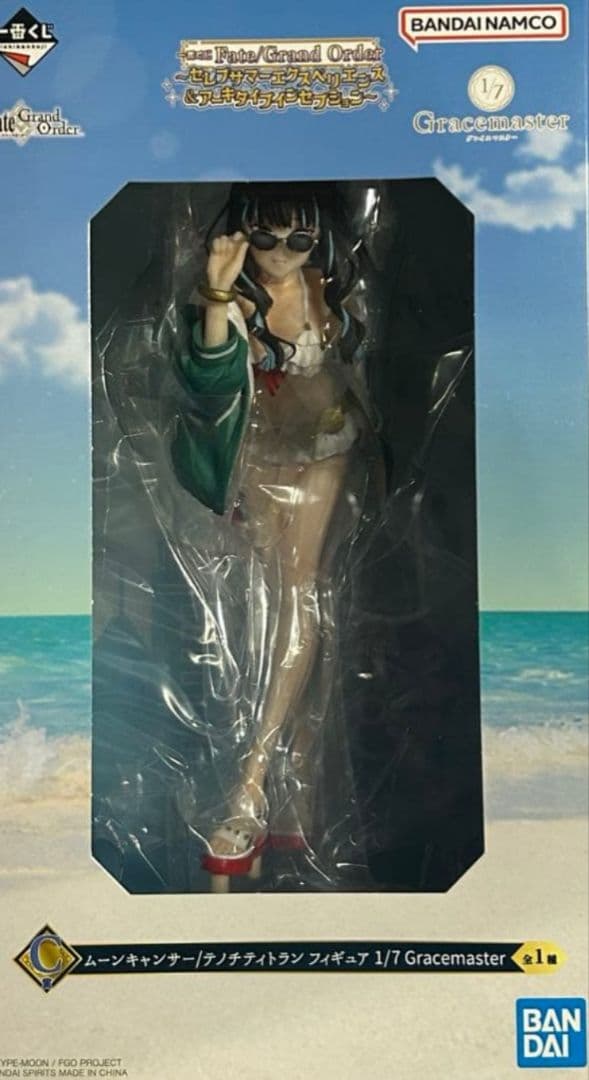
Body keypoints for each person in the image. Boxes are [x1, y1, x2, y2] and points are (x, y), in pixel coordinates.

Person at [172, 182, 383, 891]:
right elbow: (208, 374)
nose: (282, 253)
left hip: (325, 447)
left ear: (318, 238)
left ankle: (253, 788)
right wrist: (215, 291)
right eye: (266, 237)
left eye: (299, 238)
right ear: (243, 233)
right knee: (268, 607)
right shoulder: (233, 298)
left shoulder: (329, 290)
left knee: (300, 597)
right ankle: (284, 790)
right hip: (261, 456)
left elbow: (353, 366)